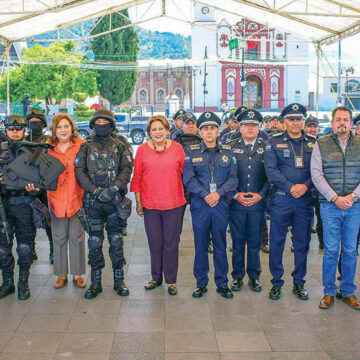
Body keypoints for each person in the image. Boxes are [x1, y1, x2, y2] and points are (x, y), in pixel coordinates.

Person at [75, 109, 132, 299]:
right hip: (93, 202)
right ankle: (96, 281)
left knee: (116, 241)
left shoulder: (120, 145)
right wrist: (95, 190)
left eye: (104, 122)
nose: (101, 125)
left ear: (111, 124)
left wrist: (114, 189)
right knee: (94, 242)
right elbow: (79, 172)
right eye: (97, 121)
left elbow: (126, 169)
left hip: (114, 201)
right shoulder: (85, 146)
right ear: (93, 124)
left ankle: (119, 280)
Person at [183, 111, 238, 299]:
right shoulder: (192, 152)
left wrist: (218, 194)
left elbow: (233, 179)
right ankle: (201, 283)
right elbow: (189, 179)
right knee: (200, 245)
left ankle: (222, 283)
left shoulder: (228, 153)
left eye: (212, 128)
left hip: (221, 205)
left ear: (218, 131)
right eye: (205, 128)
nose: (209, 132)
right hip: (201, 205)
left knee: (221, 244)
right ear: (200, 132)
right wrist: (206, 195)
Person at [264, 103, 316, 301]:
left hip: (304, 201)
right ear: (284, 122)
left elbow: (317, 171)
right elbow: (271, 170)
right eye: (291, 119)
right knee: (277, 242)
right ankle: (276, 282)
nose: (295, 123)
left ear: (303, 121)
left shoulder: (313, 142)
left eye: (299, 119)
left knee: (302, 244)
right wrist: (290, 187)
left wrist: (304, 186)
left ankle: (299, 282)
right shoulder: (273, 141)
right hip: (282, 199)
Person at [311, 106, 360, 310]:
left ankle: (347, 291)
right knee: (331, 250)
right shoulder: (321, 143)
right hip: (330, 207)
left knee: (349, 250)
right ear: (332, 123)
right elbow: (316, 174)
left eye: (346, 119)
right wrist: (334, 198)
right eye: (338, 119)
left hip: (354, 206)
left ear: (351, 123)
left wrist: (352, 196)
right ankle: (329, 292)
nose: (342, 123)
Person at [131, 115, 186, 296]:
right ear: (149, 133)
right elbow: (137, 177)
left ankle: (171, 280)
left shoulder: (177, 149)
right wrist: (138, 203)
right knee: (155, 242)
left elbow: (185, 175)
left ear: (167, 130)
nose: (157, 132)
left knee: (171, 243)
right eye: (153, 129)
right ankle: (156, 277)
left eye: (160, 128)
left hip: (174, 203)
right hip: (150, 205)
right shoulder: (142, 150)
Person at [228, 110, 269, 293]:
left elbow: (272, 176)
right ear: (240, 127)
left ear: (259, 128)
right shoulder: (229, 147)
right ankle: (237, 277)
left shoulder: (267, 147)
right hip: (236, 203)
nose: (250, 128)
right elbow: (225, 176)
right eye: (246, 125)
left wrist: (261, 195)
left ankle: (254, 277)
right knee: (237, 242)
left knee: (254, 242)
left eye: (254, 125)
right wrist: (235, 195)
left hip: (258, 203)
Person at [47, 113, 86, 289]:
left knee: (77, 237)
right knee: (59, 236)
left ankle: (77, 273)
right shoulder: (48, 148)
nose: (63, 130)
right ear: (54, 130)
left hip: (78, 198)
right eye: (59, 127)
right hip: (55, 199)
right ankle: (61, 274)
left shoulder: (82, 146)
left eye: (66, 126)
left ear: (72, 128)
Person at [0, 115, 37, 300]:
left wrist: (35, 188)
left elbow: (42, 178)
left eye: (19, 129)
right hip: (3, 205)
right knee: (3, 248)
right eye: (11, 129)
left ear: (24, 130)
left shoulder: (33, 151)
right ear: (5, 130)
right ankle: (7, 282)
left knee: (24, 247)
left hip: (24, 204)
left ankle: (23, 283)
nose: (15, 132)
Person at [26, 107, 54, 264]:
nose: (34, 124)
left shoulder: (48, 142)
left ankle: (52, 249)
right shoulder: (22, 140)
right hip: (25, 186)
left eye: (37, 122)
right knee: (27, 221)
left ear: (43, 124)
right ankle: (31, 248)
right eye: (31, 121)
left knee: (48, 219)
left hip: (43, 186)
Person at [304, 115, 323, 249]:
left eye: (314, 126)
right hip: (305, 187)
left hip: (321, 189)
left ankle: (323, 243)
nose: (312, 129)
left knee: (322, 218)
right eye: (309, 126)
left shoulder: (324, 143)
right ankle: (300, 244)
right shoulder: (301, 143)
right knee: (303, 220)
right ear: (304, 128)